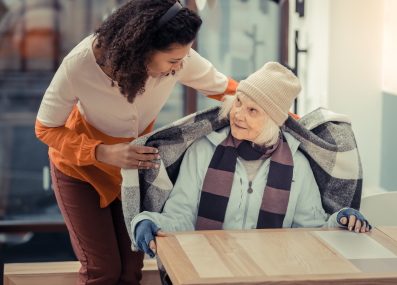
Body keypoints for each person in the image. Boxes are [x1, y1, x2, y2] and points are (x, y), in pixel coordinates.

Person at [35, 0, 237, 285]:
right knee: (102, 271)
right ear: (143, 48)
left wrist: (284, 113)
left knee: (131, 272)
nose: (180, 66)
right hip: (80, 171)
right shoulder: (79, 65)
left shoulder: (178, 56)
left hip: (128, 174)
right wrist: (105, 152)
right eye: (172, 61)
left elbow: (227, 89)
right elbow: (45, 128)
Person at [132, 62, 370, 261]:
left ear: (272, 120)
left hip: (273, 271)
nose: (238, 114)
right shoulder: (202, 151)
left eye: (253, 110)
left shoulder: (298, 164)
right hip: (208, 267)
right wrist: (148, 220)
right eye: (238, 102)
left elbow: (309, 229)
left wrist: (340, 220)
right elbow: (181, 217)